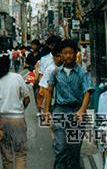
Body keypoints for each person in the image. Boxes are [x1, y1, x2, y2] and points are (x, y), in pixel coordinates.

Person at [44, 39, 94, 169]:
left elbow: (87, 91)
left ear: (75, 53)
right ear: (60, 54)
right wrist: (47, 111)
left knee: (74, 149)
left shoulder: (82, 72)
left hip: (77, 111)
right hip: (60, 111)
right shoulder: (55, 72)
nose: (68, 56)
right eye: (65, 53)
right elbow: (49, 91)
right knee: (60, 148)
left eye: (70, 52)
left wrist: (82, 110)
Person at [0, 54, 31, 169]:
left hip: (0, 120)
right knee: (20, 153)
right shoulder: (17, 77)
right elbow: (27, 99)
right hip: (17, 119)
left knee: (6, 155)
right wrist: (21, 109)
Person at [36, 45, 63, 113]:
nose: (59, 59)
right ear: (53, 57)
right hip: (53, 103)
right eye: (56, 56)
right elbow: (44, 89)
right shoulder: (50, 69)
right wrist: (46, 108)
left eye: (60, 56)